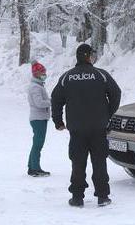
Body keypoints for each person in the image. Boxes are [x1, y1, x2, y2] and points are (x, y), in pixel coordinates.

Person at [51, 44, 121, 207]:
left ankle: (77, 197)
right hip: (98, 128)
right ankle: (103, 196)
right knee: (99, 162)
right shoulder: (100, 75)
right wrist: (108, 115)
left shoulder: (67, 77)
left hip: (77, 129)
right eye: (92, 55)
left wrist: (58, 121)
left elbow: (56, 99)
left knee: (78, 163)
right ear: (89, 56)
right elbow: (116, 93)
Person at [27, 61, 51, 177]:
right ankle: (35, 168)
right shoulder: (35, 87)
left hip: (40, 118)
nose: (44, 74)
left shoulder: (38, 86)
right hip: (38, 119)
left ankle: (31, 166)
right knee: (38, 144)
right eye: (42, 72)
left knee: (36, 143)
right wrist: (51, 102)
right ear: (36, 73)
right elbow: (39, 103)